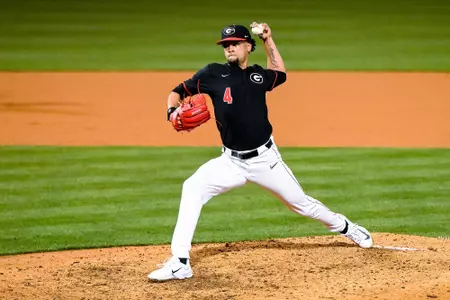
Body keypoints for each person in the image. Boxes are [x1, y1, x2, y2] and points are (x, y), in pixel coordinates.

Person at [148, 22, 373, 281]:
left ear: (247, 46)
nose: (229, 48)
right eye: (225, 45)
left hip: (265, 160)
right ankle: (180, 261)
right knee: (192, 187)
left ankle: (346, 227)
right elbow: (176, 92)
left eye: (234, 43)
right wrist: (171, 111)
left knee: (301, 204)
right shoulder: (212, 73)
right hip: (230, 162)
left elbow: (280, 72)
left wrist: (268, 39)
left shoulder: (258, 76)